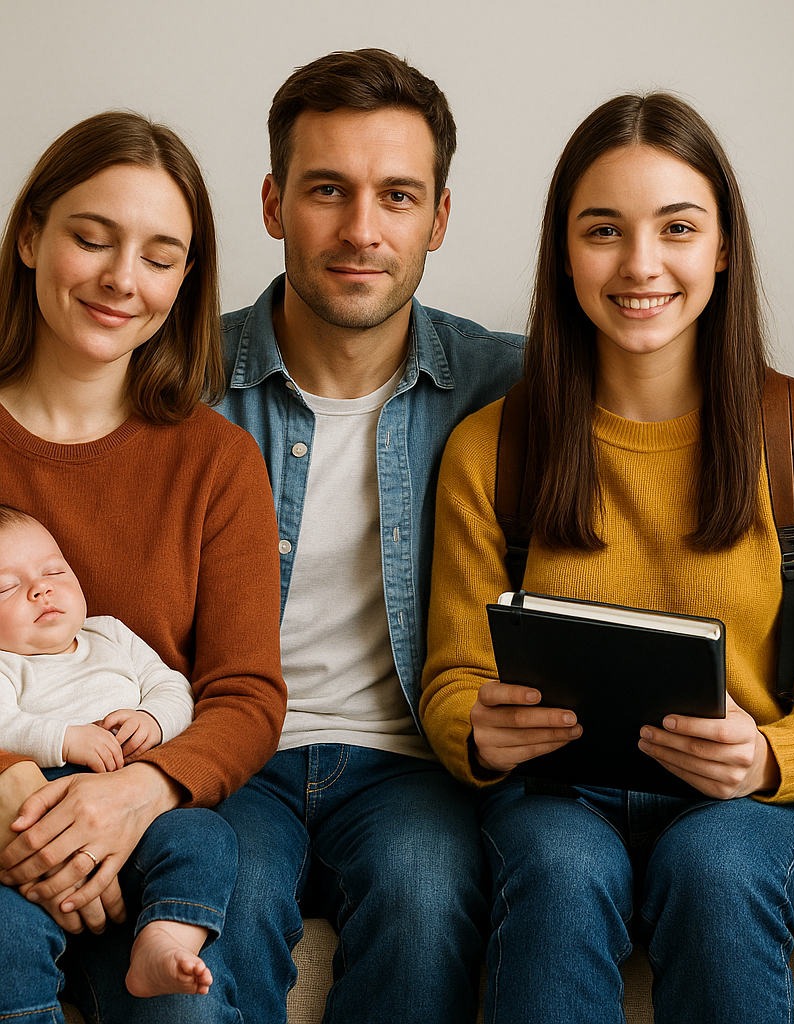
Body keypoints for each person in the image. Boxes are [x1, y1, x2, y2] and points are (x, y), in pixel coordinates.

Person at [420, 92, 794, 1024]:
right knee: (558, 869)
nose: (640, 264)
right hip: (558, 796)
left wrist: (767, 758)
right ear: (564, 250)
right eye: (604, 230)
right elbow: (452, 675)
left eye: (677, 228)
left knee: (712, 868)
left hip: (751, 808)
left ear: (722, 247)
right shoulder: (492, 449)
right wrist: (479, 731)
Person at [214, 49, 523, 1024]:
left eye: (396, 196)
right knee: (222, 898)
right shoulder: (177, 378)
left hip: (411, 765)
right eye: (326, 191)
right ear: (272, 203)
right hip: (227, 752)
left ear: (437, 217)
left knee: (429, 897)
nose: (360, 230)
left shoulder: (511, 387)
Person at [0, 111, 286, 1024]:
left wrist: (137, 792)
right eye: (93, 238)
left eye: (161, 256)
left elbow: (245, 694)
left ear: (186, 279)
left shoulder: (217, 461)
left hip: (149, 829)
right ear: (30, 236)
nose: (124, 280)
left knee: (187, 1014)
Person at [0, 504, 234, 998]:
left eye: (54, 571)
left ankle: (165, 937)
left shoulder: (111, 634)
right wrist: (64, 736)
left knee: (207, 836)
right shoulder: (6, 665)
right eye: (5, 587)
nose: (40, 589)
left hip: (137, 807)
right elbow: (4, 723)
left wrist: (151, 720)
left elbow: (173, 689)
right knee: (9, 932)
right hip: (42, 811)